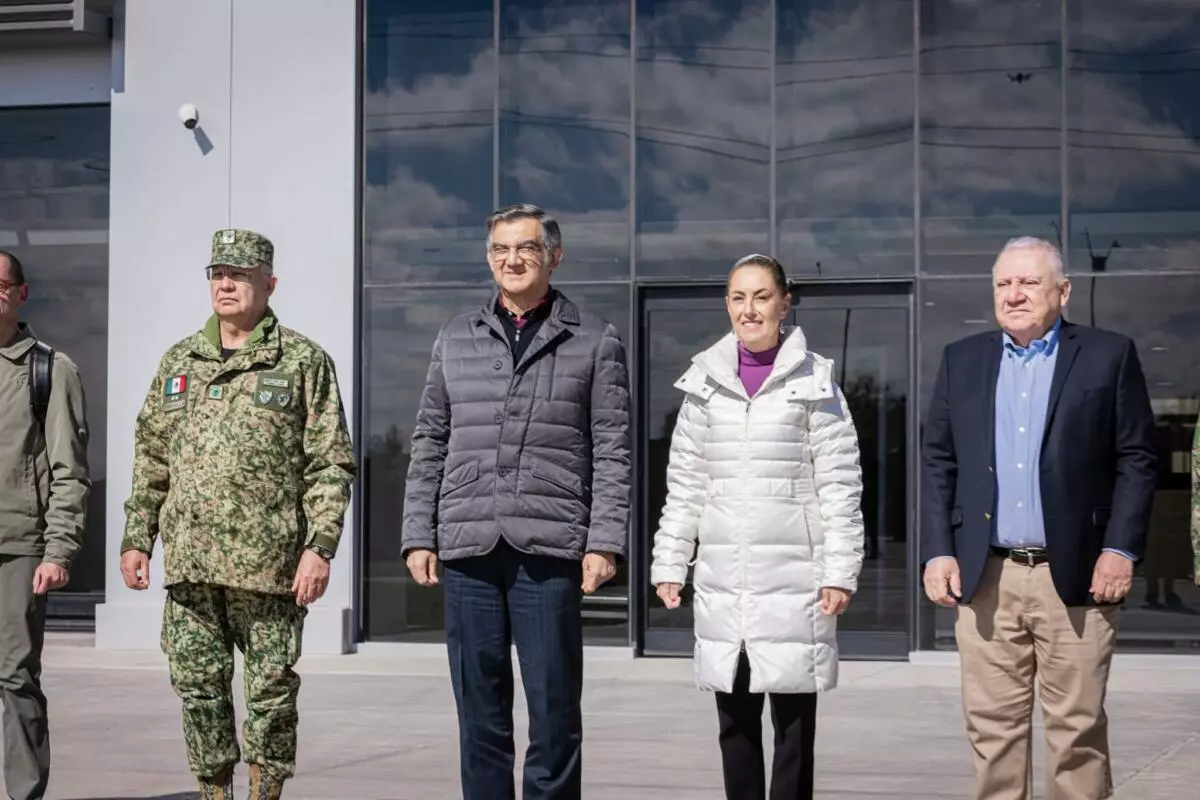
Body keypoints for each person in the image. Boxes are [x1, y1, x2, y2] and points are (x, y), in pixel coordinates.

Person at [401, 203, 631, 800]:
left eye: (526, 248)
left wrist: (604, 541)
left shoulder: (595, 340)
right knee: (479, 713)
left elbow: (613, 450)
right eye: (500, 249)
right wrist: (418, 533)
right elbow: (429, 439)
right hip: (468, 545)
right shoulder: (455, 338)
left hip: (549, 549)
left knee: (554, 713)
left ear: (554, 255)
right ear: (488, 258)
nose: (512, 259)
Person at [120, 229, 356, 800]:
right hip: (192, 565)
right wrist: (136, 538)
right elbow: (152, 455)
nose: (226, 284)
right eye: (218, 274)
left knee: (271, 691)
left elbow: (330, 465)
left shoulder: (302, 361)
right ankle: (214, 791)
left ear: (268, 283)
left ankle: (266, 790)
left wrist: (319, 548)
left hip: (269, 568)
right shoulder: (179, 361)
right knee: (198, 687)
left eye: (241, 275)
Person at [921, 236, 1157, 800]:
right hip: (986, 579)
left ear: (1063, 290)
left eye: (1028, 282)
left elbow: (1137, 459)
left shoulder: (1107, 354)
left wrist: (1119, 549)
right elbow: (938, 460)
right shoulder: (963, 359)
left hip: (1074, 576)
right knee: (992, 730)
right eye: (1004, 283)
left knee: (1075, 731)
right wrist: (938, 549)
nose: (1014, 294)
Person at [650, 254, 865, 800]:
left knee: (793, 731)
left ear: (783, 303)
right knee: (735, 726)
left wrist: (840, 572)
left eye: (761, 297)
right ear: (727, 305)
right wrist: (671, 562)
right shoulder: (703, 386)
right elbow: (685, 488)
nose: (749, 309)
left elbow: (840, 486)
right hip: (727, 586)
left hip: (795, 585)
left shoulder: (817, 382)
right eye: (738, 298)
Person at [0, 250, 90, 800]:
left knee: (15, 676)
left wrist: (58, 551)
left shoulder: (50, 371)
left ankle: (25, 794)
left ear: (20, 294)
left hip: (19, 547)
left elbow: (70, 471)